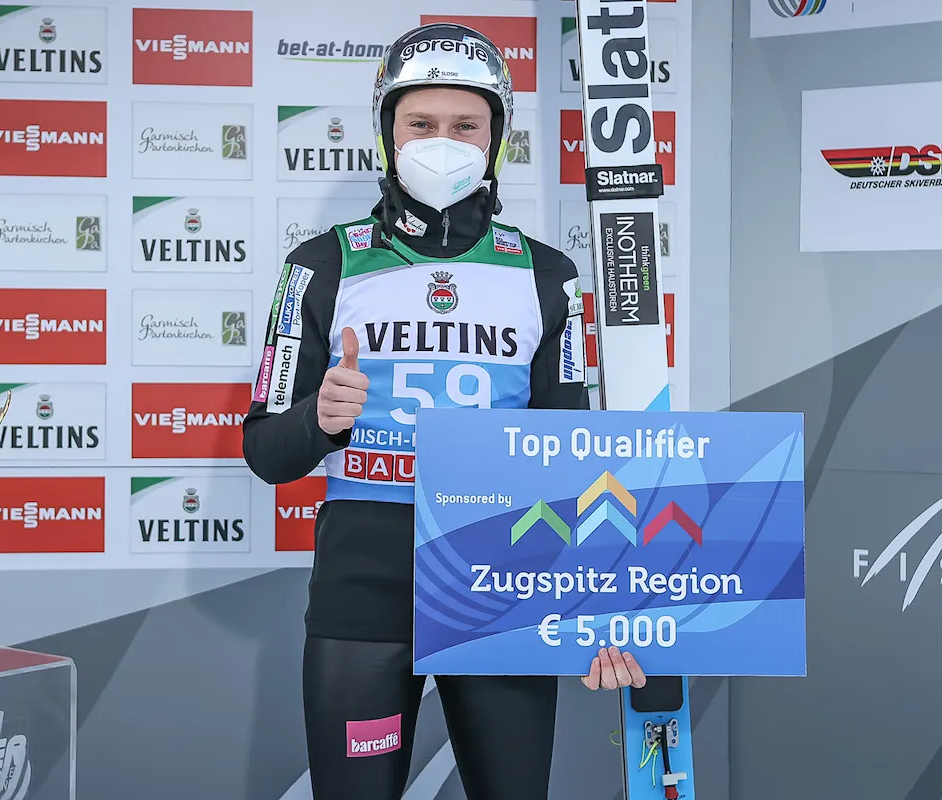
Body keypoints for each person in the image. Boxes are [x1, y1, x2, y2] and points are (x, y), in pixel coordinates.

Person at [243, 22, 647, 800]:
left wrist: (604, 612)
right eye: (420, 123)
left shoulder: (548, 276)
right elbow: (266, 453)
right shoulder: (319, 266)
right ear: (387, 133)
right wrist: (321, 418)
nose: (442, 142)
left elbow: (571, 462)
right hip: (365, 597)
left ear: (496, 140)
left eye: (466, 125)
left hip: (501, 585)